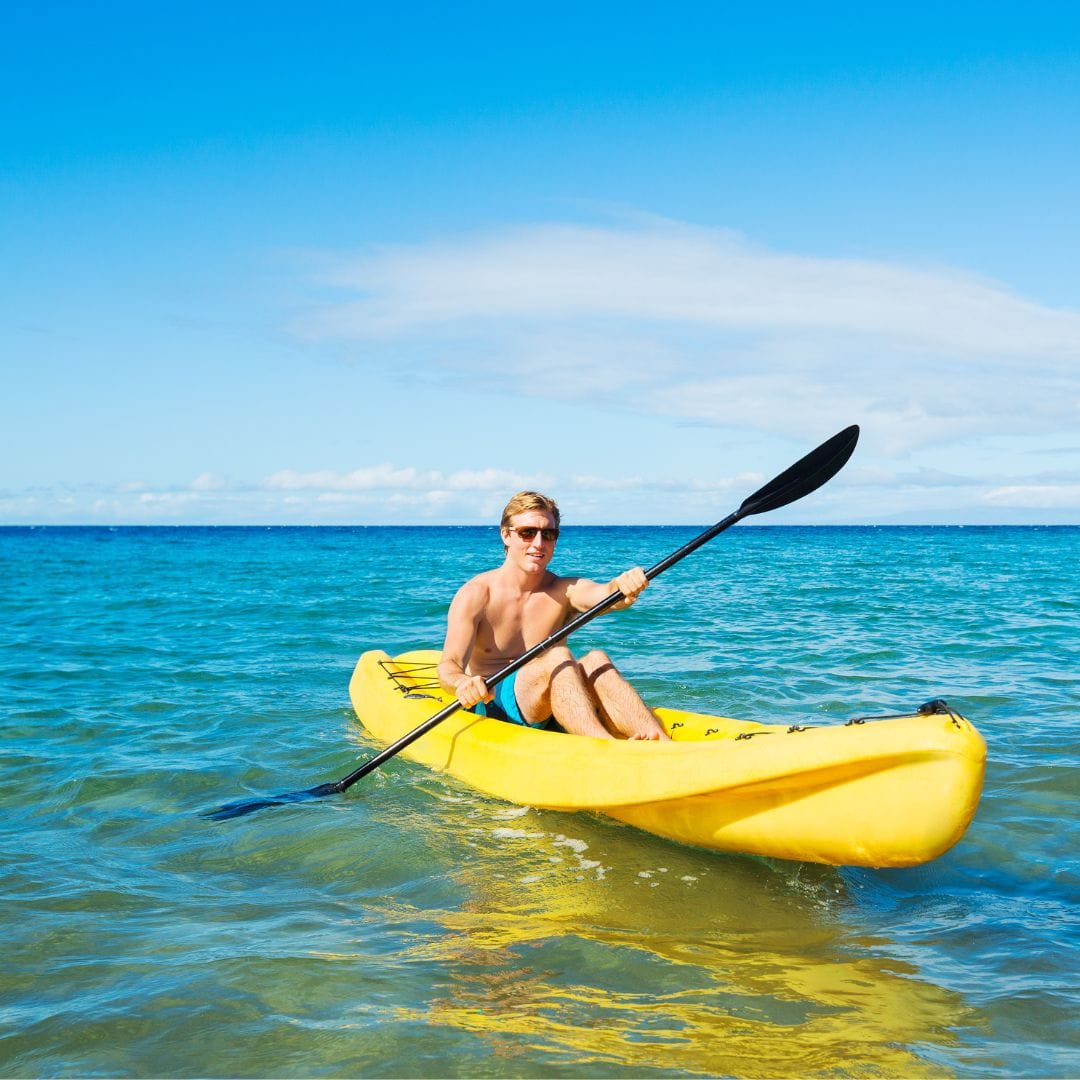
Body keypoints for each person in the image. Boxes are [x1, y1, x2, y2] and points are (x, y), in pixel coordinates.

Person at [437, 491, 669, 740]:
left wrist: (624, 586)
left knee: (595, 659)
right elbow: (448, 665)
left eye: (548, 534)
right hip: (494, 706)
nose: (538, 543)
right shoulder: (476, 594)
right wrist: (463, 683)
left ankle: (659, 741)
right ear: (506, 535)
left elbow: (607, 595)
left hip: (553, 703)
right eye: (527, 532)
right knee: (557, 655)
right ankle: (604, 746)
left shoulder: (563, 591)